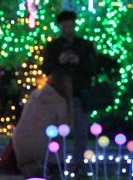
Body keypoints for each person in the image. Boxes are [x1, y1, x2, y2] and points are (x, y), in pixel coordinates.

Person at [41, 10, 96, 169]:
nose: (67, 29)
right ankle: (56, 163)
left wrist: (79, 61)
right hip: (59, 95)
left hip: (79, 93)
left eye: (70, 26)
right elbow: (46, 68)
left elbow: (93, 68)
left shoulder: (84, 46)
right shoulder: (54, 46)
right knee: (57, 132)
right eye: (64, 26)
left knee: (80, 131)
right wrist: (59, 61)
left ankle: (78, 165)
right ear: (60, 27)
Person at [11, 70, 72, 177]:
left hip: (19, 143)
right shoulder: (61, 102)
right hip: (43, 148)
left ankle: (33, 167)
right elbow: (63, 130)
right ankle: (45, 167)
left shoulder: (34, 95)